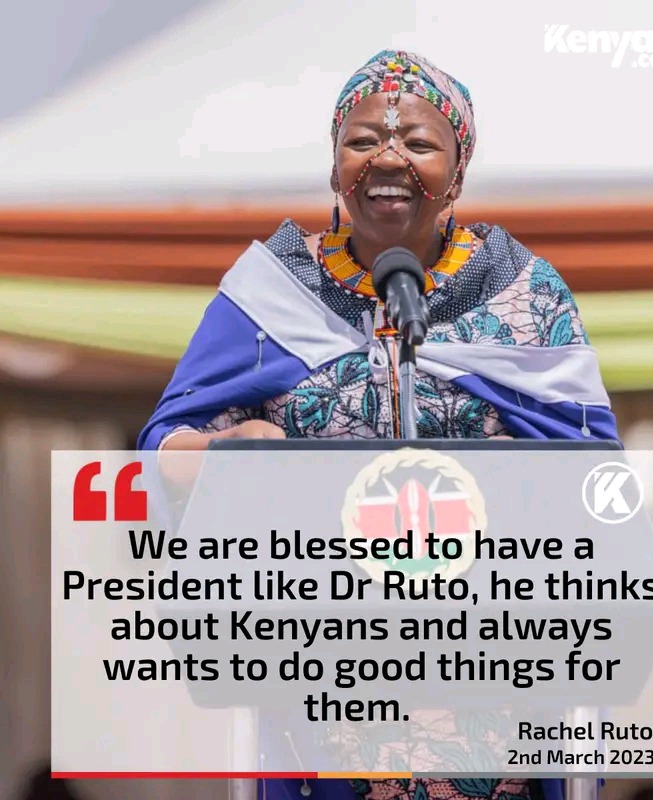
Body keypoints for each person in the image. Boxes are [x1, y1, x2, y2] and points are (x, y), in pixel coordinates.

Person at [139, 50, 619, 800]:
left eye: (418, 143)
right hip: (321, 699)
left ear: (458, 172)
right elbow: (165, 445)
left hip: (492, 690)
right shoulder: (271, 293)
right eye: (362, 141)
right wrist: (219, 450)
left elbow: (595, 482)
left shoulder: (526, 293)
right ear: (334, 166)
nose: (388, 159)